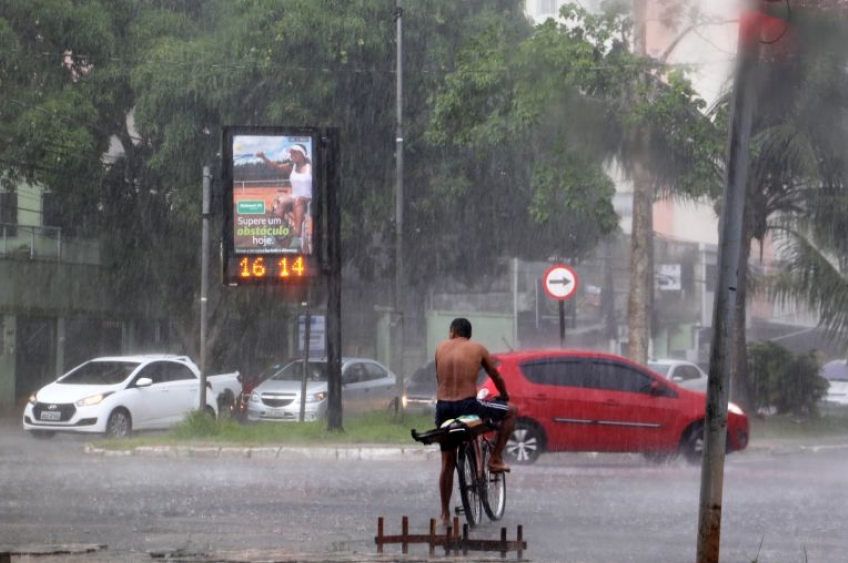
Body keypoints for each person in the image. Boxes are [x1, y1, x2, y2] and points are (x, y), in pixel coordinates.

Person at [433, 317, 517, 526]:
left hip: (443, 409)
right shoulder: (477, 349)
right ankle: (495, 458)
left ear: (452, 332)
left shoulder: (440, 348)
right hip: (468, 406)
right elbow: (495, 375)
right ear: (469, 335)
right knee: (512, 411)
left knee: (447, 463)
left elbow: (440, 379)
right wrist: (504, 395)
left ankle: (444, 514)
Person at [256, 144, 312, 243]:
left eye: (294, 152)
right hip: (295, 197)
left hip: (308, 198)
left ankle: (297, 234)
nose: (291, 155)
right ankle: (273, 232)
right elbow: (275, 166)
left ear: (302, 154)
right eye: (291, 153)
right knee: (281, 200)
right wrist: (263, 157)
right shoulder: (291, 167)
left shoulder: (310, 168)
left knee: (298, 199)